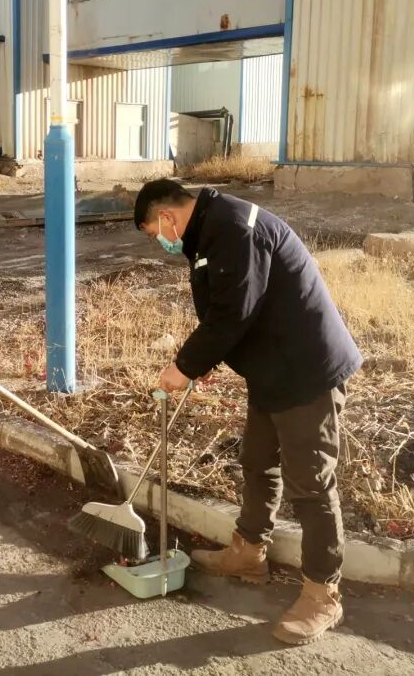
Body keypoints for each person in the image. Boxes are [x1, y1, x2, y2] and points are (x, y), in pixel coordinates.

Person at [133, 179, 362, 646]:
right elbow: (232, 308)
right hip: (272, 368)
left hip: (305, 371)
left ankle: (323, 594)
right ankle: (249, 552)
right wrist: (210, 360)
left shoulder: (235, 229)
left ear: (167, 217)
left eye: (154, 233)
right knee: (258, 461)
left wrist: (185, 365)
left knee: (311, 484)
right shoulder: (211, 229)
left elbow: (232, 313)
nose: (160, 241)